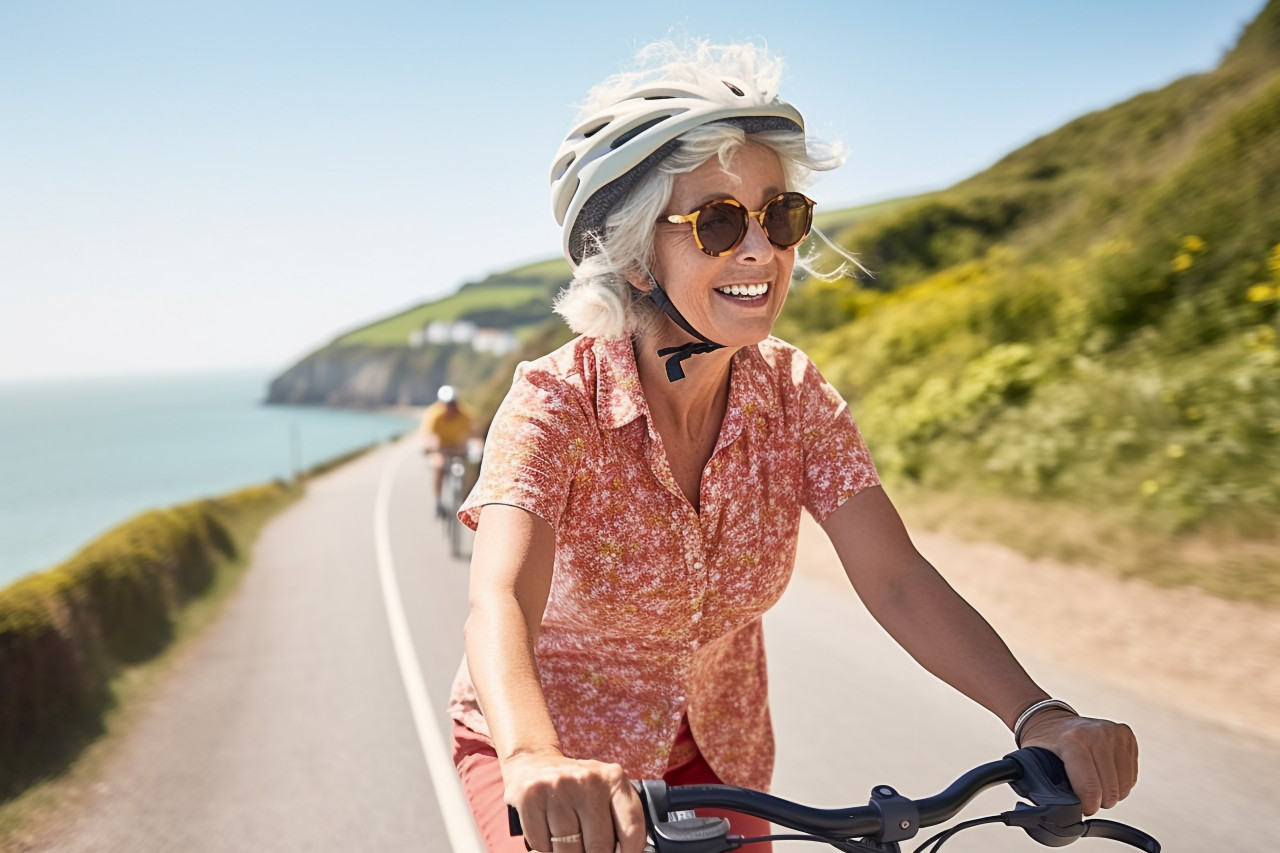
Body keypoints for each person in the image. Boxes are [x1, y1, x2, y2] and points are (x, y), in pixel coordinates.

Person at [449, 41, 1139, 853]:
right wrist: (534, 754)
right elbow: (502, 599)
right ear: (637, 257)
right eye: (716, 222)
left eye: (780, 216)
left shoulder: (792, 393)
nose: (761, 251)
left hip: (719, 752)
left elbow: (896, 579)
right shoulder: (557, 402)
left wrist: (1040, 714)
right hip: (557, 764)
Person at [421, 385, 474, 518]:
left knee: (471, 470)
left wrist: (477, 446)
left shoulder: (465, 414)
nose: (450, 407)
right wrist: (429, 447)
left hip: (459, 448)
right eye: (447, 404)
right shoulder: (434, 415)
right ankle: (437, 503)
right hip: (441, 448)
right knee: (438, 466)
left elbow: (474, 434)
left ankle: (468, 501)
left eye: (453, 403)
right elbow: (427, 436)